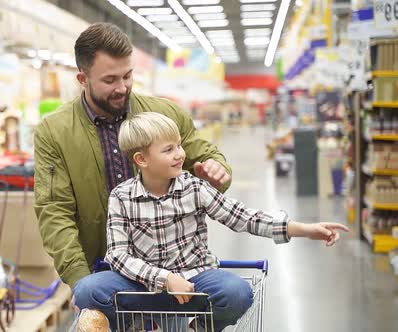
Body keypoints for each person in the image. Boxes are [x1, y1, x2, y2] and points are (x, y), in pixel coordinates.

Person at [33, 21, 232, 320]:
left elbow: (204, 153)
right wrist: (79, 277)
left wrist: (218, 170)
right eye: (110, 79)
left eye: (127, 76)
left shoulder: (166, 114)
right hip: (110, 270)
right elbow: (54, 210)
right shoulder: (54, 132)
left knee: (231, 297)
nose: (122, 87)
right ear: (82, 78)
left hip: (173, 268)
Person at [100, 112, 350, 331]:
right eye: (168, 150)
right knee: (89, 291)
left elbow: (243, 217)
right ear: (142, 160)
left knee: (237, 293)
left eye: (178, 146)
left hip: (195, 279)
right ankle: (138, 325)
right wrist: (165, 279)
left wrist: (305, 230)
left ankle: (198, 328)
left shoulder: (194, 188)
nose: (180, 154)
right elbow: (118, 256)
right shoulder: (121, 197)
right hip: (145, 285)